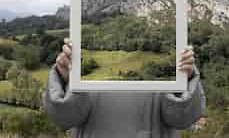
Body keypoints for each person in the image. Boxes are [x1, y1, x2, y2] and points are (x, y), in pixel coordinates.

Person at [43, 38, 206, 138]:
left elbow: (182, 117)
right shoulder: (83, 79)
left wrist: (186, 78)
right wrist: (65, 78)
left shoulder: (165, 79)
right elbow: (65, 117)